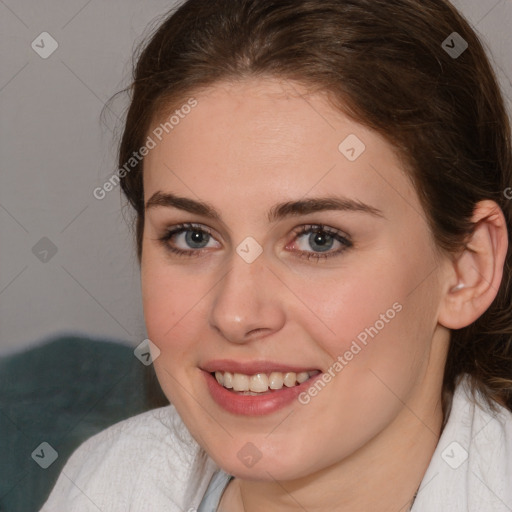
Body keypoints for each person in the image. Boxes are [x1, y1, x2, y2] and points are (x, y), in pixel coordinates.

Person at [40, 0, 512, 510]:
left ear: (468, 267)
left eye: (318, 239)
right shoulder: (106, 481)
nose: (236, 314)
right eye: (192, 236)